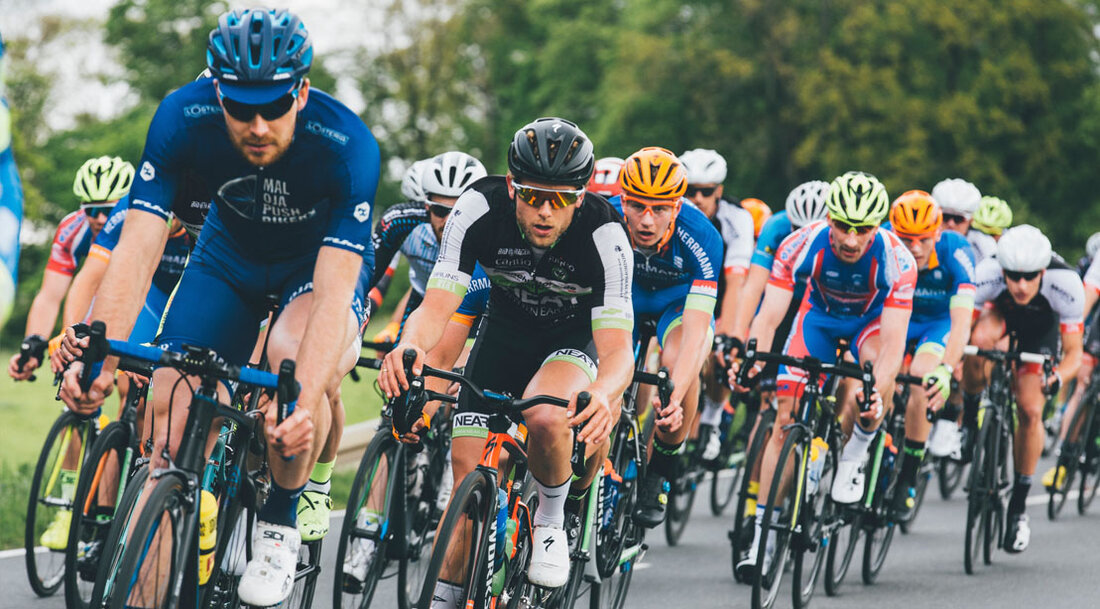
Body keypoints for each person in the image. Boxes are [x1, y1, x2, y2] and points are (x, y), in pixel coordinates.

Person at [58, 9, 381, 605]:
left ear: (302, 91)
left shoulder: (348, 146)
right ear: (216, 90)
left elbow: (336, 293)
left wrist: (302, 406)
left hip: (312, 275)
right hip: (226, 263)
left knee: (289, 379)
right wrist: (99, 354)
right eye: (239, 107)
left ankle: (281, 518)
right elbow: (136, 251)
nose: (257, 126)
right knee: (168, 425)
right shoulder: (183, 116)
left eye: (275, 107)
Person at [378, 117, 634, 599]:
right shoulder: (477, 207)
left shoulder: (606, 235)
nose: (543, 210)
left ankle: (553, 518)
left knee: (544, 412)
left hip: (573, 341)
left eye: (559, 199)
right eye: (532, 195)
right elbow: (436, 305)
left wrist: (603, 391)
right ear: (512, 186)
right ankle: (446, 596)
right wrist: (410, 345)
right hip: (505, 335)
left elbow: (620, 348)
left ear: (580, 197)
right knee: (465, 488)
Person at [732, 171, 916, 579]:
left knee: (865, 393)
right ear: (829, 218)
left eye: (863, 229)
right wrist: (755, 356)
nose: (851, 240)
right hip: (818, 321)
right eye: (843, 226)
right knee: (784, 418)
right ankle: (761, 537)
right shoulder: (800, 243)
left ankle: (853, 455)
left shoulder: (897, 259)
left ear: (878, 225)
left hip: (869, 325)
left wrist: (879, 394)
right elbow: (771, 314)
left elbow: (891, 348)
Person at [608, 147, 722, 527]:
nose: (646, 219)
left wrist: (677, 391)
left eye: (659, 208)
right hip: (624, 297)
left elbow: (695, 331)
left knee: (677, 372)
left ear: (677, 206)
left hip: (677, 304)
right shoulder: (604, 218)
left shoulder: (702, 235)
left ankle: (659, 472)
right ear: (622, 200)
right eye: (637, 206)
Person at [964, 225, 1084, 553]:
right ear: (1002, 270)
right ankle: (972, 415)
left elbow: (1074, 354)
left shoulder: (1067, 284)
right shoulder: (986, 273)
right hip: (999, 317)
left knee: (1030, 411)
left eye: (1030, 277)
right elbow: (963, 327)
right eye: (1013, 276)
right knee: (978, 342)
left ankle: (1017, 509)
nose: (1020, 285)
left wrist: (1057, 377)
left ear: (1043, 271)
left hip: (1040, 332)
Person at [885, 190, 976, 520]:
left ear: (938, 233)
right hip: (896, 317)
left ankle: (908, 475)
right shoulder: (882, 244)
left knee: (922, 381)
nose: (914, 248)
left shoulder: (958, 252)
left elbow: (962, 322)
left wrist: (947, 369)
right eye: (906, 239)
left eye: (923, 239)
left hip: (934, 325)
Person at [8, 156, 132, 382]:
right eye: (92, 210)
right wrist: (34, 343)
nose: (100, 219)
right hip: (96, 289)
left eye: (109, 210)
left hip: (141, 291)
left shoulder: (140, 226)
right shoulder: (72, 229)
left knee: (129, 388)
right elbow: (50, 296)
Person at [677, 148, 755, 459]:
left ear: (718, 192)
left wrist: (731, 335)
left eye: (705, 192)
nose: (696, 198)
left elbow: (737, 282)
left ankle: (710, 418)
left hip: (720, 294)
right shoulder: (669, 211)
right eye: (689, 190)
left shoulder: (737, 219)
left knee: (722, 354)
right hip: (680, 292)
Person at [368, 151, 487, 338]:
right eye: (440, 210)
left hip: (481, 310)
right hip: (425, 304)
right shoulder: (404, 225)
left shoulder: (492, 229)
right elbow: (367, 282)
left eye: (459, 211)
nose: (450, 221)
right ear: (426, 206)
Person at [931, 178, 995, 262]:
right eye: (945, 217)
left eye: (958, 219)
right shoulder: (924, 241)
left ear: (971, 220)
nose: (951, 224)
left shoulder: (984, 246)